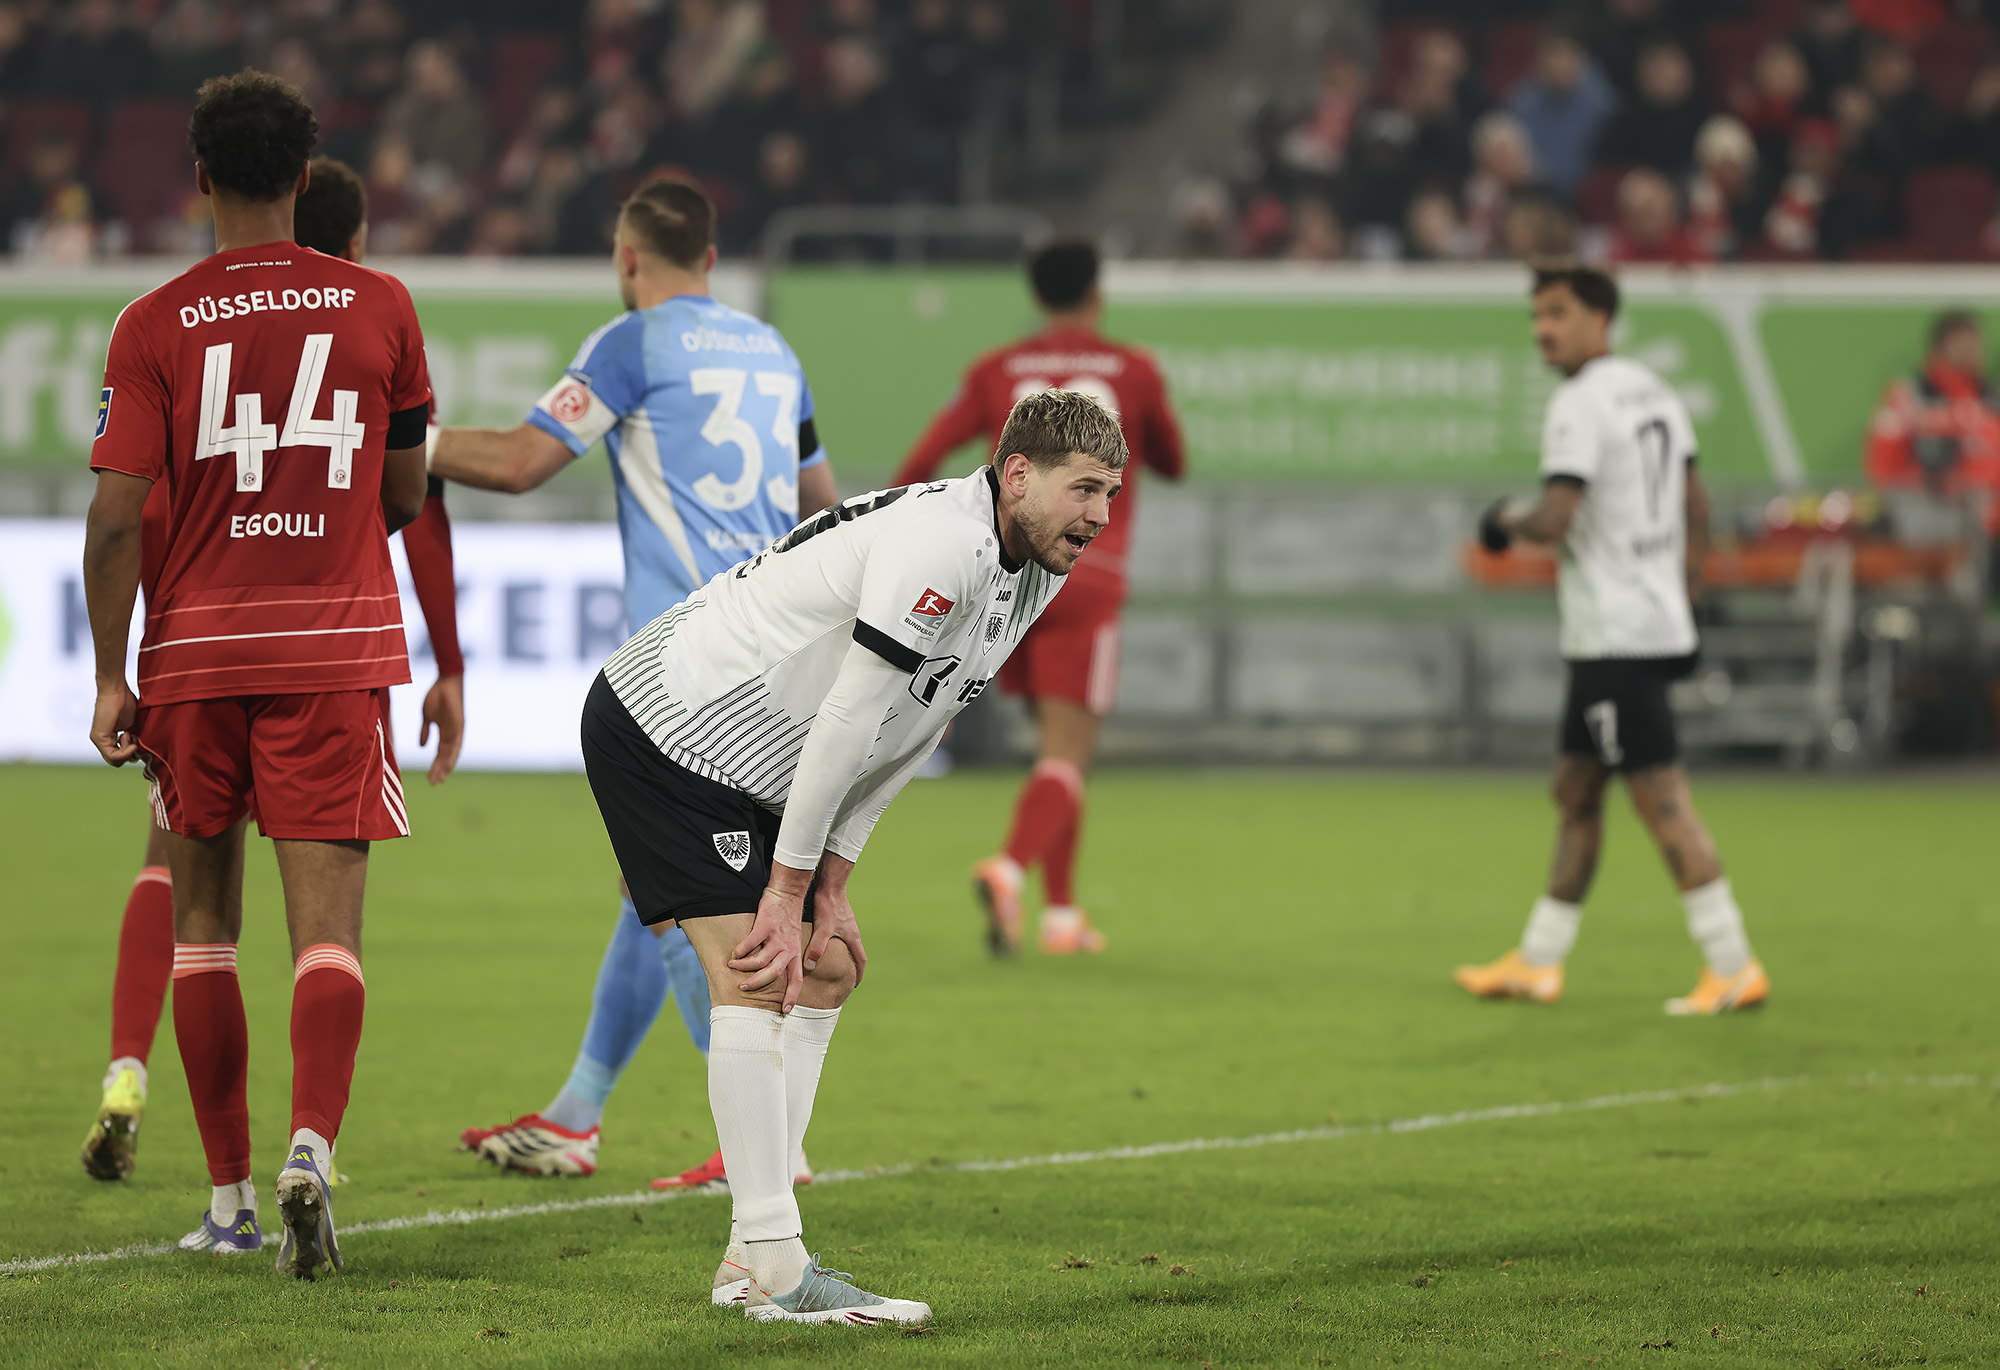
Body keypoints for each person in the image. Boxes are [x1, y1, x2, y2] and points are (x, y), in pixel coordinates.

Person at [585, 388, 1127, 1321]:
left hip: (762, 761)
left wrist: (830, 883)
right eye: (1085, 489)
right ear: (1017, 474)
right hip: (671, 727)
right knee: (758, 970)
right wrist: (783, 890)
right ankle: (776, 1265)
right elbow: (850, 714)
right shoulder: (942, 544)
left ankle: (747, 1258)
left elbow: (917, 722)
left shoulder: (1036, 564)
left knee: (827, 965)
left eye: (1111, 493)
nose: (1102, 516)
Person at [82, 72, 434, 1275]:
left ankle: (229, 1197)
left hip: (194, 654)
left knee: (203, 931)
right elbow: (403, 491)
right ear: (304, 177)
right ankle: (311, 1148)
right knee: (327, 932)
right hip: (333, 649)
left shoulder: (151, 322)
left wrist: (111, 675)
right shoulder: (381, 304)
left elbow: (116, 517)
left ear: (198, 180)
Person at [430, 176, 840, 1189]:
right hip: (778, 651)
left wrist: (412, 444)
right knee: (648, 886)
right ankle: (578, 1113)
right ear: (711, 258)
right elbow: (822, 505)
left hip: (685, 669)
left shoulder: (631, 342)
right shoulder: (775, 354)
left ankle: (764, 1139)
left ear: (626, 260)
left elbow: (522, 461)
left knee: (680, 896)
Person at [1455, 263, 1769, 1016]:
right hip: (1645, 622)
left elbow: (1554, 518)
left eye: (1558, 313)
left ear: (1600, 318)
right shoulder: (1653, 390)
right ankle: (1539, 961)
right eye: (1537, 316)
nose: (1543, 330)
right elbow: (1696, 504)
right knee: (1576, 789)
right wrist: (1684, 595)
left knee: (1661, 801)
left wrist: (1500, 521)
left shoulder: (1580, 401)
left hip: (1615, 637)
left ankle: (1732, 963)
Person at [893, 240, 1184, 957]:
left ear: (1036, 295)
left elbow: (921, 459)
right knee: (1068, 753)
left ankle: (1061, 915)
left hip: (1009, 574)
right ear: (1097, 294)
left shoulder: (997, 369)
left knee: (1055, 756)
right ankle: (1009, 868)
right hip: (1088, 573)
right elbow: (1174, 462)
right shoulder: (1134, 369)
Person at [1865, 311, 2000, 553]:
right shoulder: (1910, 396)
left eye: (1974, 344)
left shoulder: (1991, 399)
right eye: (1961, 345)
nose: (1969, 351)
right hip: (1926, 521)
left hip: (1985, 525)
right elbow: (1883, 465)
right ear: (1941, 346)